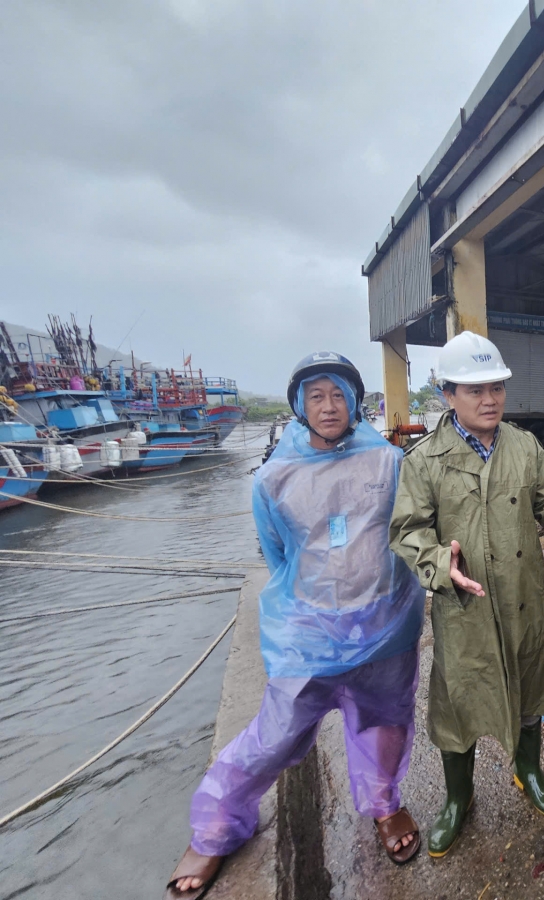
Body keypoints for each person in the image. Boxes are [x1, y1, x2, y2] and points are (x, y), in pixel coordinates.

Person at [166, 353, 427, 899]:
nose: (328, 406)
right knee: (274, 737)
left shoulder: (388, 461)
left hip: (385, 625)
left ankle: (384, 806)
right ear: (299, 406)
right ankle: (216, 827)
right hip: (309, 635)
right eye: (316, 396)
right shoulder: (273, 476)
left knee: (384, 724)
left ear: (355, 402)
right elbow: (279, 555)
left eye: (338, 395)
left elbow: (407, 530)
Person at [390, 331, 544, 857]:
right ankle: (457, 798)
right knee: (458, 703)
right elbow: (408, 530)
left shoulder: (523, 446)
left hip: (524, 598)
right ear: (447, 394)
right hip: (464, 606)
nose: (489, 400)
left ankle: (528, 770)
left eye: (496, 388)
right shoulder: (424, 460)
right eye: (474, 390)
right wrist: (443, 562)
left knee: (531, 689)